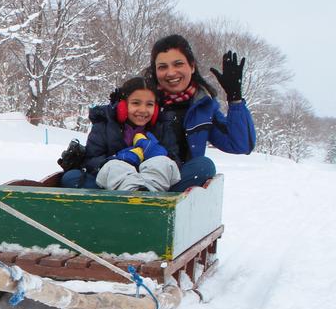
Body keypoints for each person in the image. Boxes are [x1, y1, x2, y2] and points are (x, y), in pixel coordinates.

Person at [147, 34, 256, 191]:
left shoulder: (203, 108)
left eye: (178, 64)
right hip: (139, 176)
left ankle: (163, 208)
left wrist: (235, 100)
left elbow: (241, 144)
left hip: (178, 181)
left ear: (191, 66)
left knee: (204, 166)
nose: (171, 73)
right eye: (162, 67)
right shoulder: (142, 102)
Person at [60, 76, 181, 191]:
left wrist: (158, 153)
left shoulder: (162, 126)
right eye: (136, 103)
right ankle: (132, 193)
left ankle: (145, 194)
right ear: (123, 105)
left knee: (173, 164)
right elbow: (92, 160)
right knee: (72, 177)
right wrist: (119, 159)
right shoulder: (104, 125)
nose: (143, 110)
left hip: (155, 181)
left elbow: (174, 160)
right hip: (113, 183)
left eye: (149, 104)